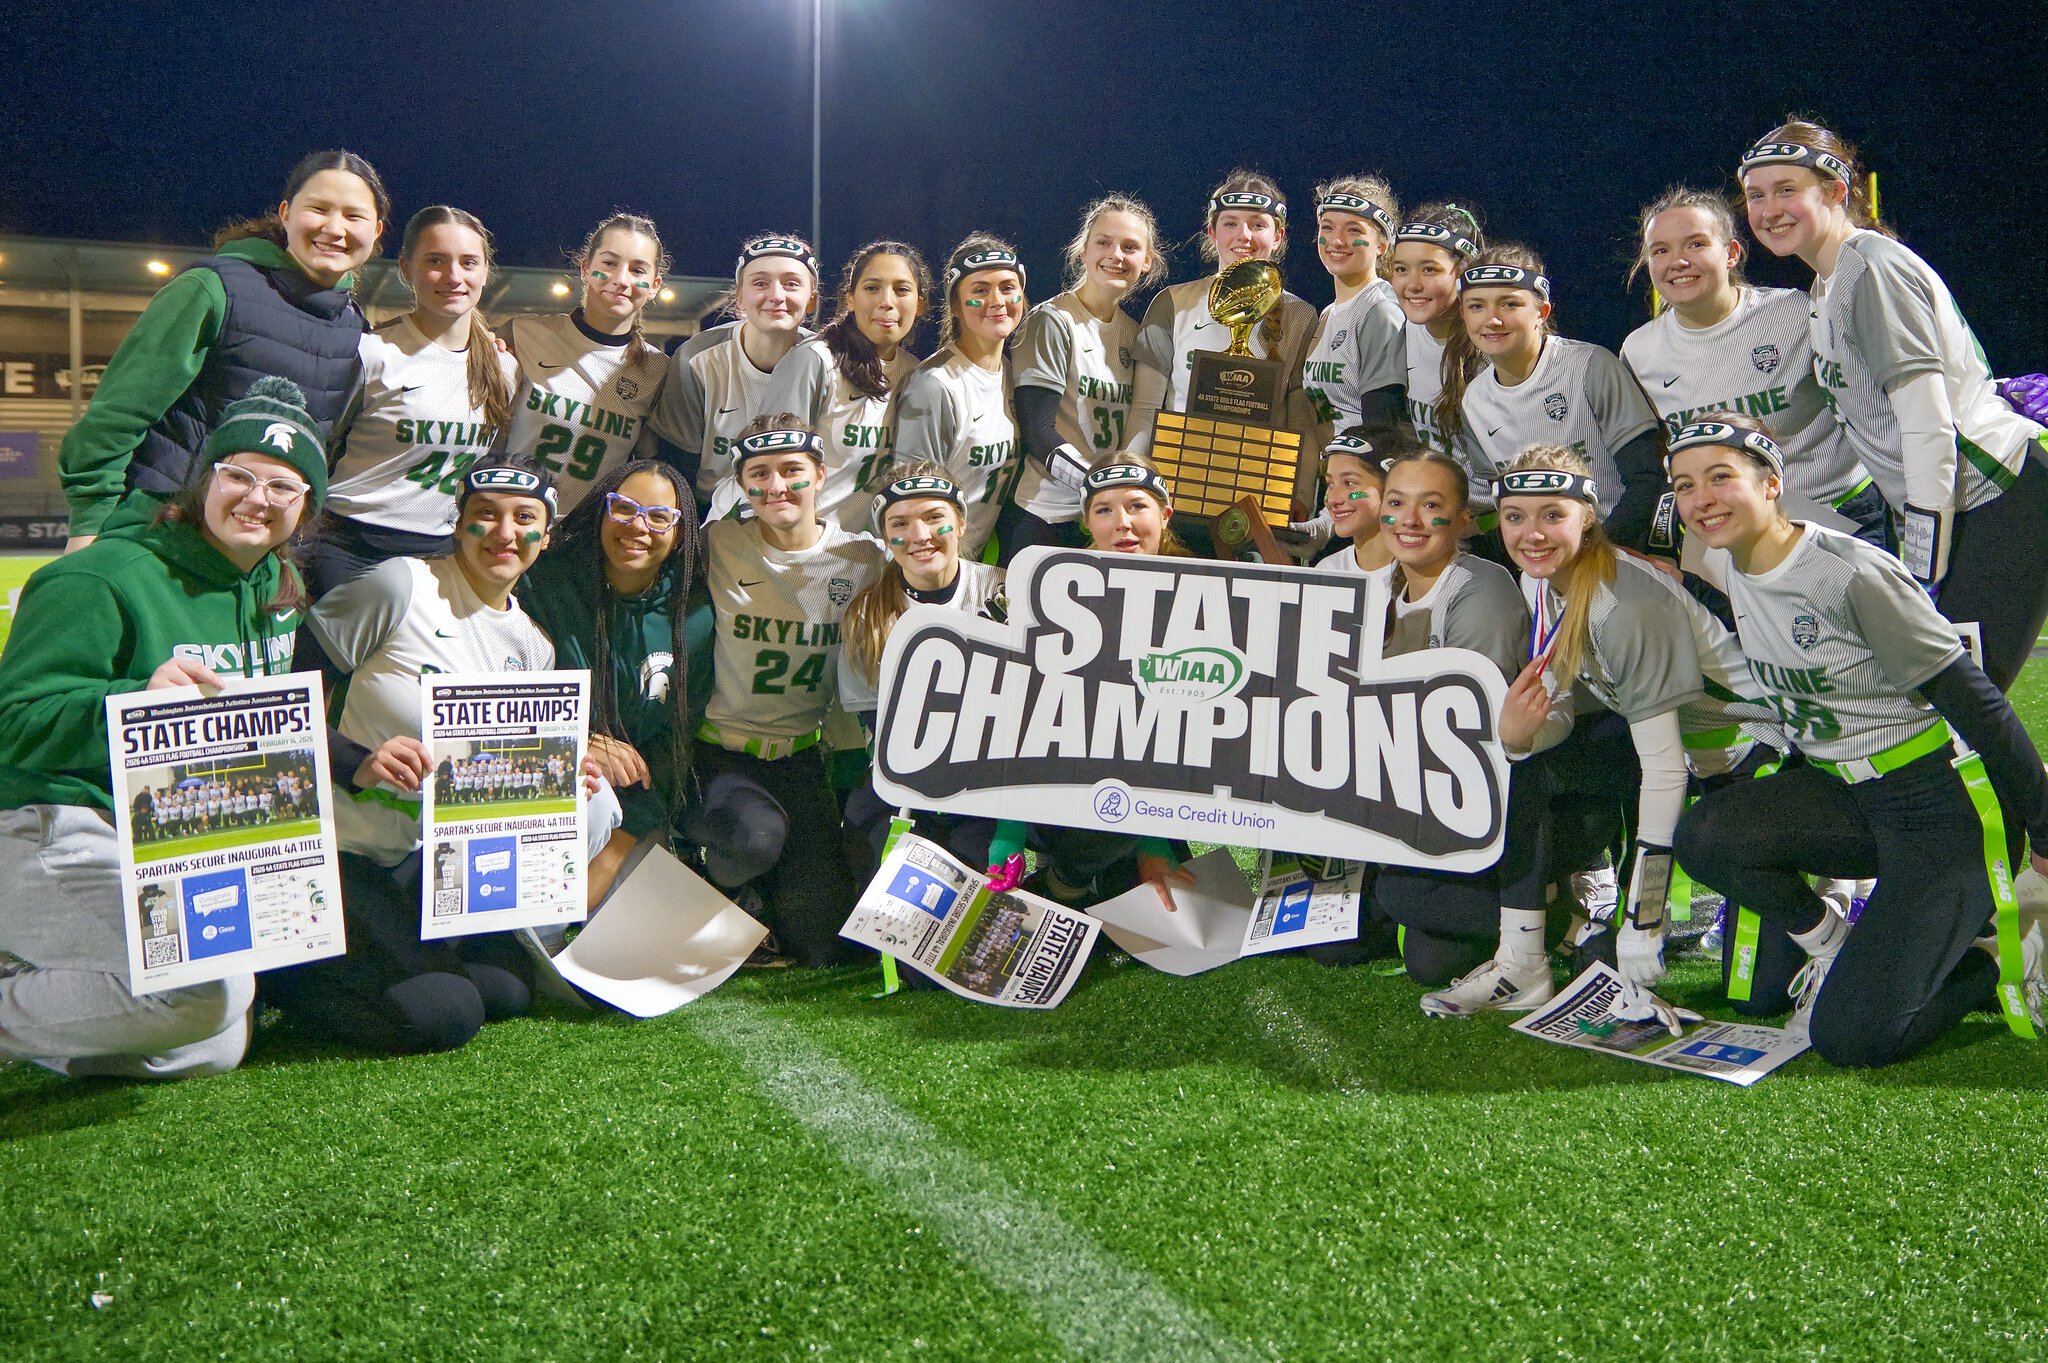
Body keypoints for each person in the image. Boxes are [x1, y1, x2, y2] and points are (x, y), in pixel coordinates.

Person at [1667, 415, 2048, 1063]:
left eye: (1721, 477)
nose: (1700, 498)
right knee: (1706, 834)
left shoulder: (1846, 572)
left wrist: (2045, 827)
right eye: (1684, 485)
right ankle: (1833, 947)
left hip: (1942, 810)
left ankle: (2003, 955)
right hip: (1848, 794)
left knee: (1852, 1037)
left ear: (1772, 484)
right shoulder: (1728, 563)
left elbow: (1979, 705)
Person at [0, 376, 327, 1078]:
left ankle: (43, 986)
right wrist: (133, 701)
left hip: (164, 838)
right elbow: (14, 726)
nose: (256, 499)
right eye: (238, 475)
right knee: (205, 987)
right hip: (46, 820)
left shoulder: (275, 592)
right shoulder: (100, 577)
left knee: (216, 1039)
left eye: (283, 488)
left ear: (306, 509)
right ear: (203, 481)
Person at [265, 457, 616, 1054]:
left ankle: (369, 953)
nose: (505, 533)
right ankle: (278, 974)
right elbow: (282, 704)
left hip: (426, 862)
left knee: (504, 991)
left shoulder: (533, 647)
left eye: (524, 518)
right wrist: (358, 758)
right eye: (486, 515)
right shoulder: (400, 585)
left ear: (546, 536)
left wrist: (558, 783)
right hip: (344, 849)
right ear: (458, 525)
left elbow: (498, 782)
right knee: (446, 1016)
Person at [1739, 120, 2048, 691]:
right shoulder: (1826, 286)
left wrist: (1923, 568)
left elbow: (1927, 427)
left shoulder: (1869, 267)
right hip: (1967, 502)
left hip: (1998, 495)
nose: (1768, 209)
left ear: (1834, 190)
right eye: (1756, 195)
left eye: (1787, 189)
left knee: (1959, 704)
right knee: (1948, 706)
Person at [1491, 444, 1789, 994]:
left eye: (1552, 515)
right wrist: (1518, 739)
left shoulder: (1624, 604)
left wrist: (1644, 917)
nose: (1532, 533)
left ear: (1588, 516)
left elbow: (1667, 769)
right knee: (1519, 766)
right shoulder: (1540, 579)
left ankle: (1837, 886)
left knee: (1758, 994)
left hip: (1748, 755)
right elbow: (1555, 703)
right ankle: (1520, 959)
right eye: (1515, 516)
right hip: (1664, 742)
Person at [59, 150, 387, 548]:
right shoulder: (211, 289)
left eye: (354, 216)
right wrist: (88, 525)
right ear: (285, 213)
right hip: (166, 533)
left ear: (377, 231)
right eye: (318, 209)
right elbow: (115, 417)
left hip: (263, 548)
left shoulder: (353, 325)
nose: (335, 228)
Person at [688, 416, 884, 965]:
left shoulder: (862, 560)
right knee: (754, 839)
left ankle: (764, 892)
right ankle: (713, 879)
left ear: (821, 475)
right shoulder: (718, 542)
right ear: (741, 484)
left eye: (792, 470)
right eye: (760, 473)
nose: (777, 486)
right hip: (717, 753)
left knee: (824, 944)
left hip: (800, 757)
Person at [1622, 186, 1884, 549]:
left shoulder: (1793, 312)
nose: (1677, 261)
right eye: (1660, 250)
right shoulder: (1638, 351)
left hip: (1834, 513)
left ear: (1731, 253)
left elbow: (1869, 401)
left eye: (1696, 244)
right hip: (1724, 532)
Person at [522, 459, 710, 902]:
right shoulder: (543, 585)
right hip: (546, 770)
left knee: (627, 924)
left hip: (633, 800)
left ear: (680, 533)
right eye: (623, 508)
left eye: (659, 517)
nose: (638, 526)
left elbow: (671, 746)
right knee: (537, 921)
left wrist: (615, 851)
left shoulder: (693, 617)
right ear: (602, 511)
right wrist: (577, 742)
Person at [311, 205, 518, 596]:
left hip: (442, 551)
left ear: (486, 271)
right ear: (406, 268)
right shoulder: (371, 352)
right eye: (435, 261)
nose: (454, 276)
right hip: (350, 547)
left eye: (468, 262)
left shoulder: (503, 367)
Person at [1444, 245, 1667, 553]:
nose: (1492, 319)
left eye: (1509, 304)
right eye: (1477, 306)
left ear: (1541, 312)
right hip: (1540, 564)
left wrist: (1597, 553)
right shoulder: (1474, 402)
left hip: (1617, 551)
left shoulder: (1590, 366)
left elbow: (1647, 477)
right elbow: (1498, 509)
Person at [999, 196, 1165, 561]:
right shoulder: (1052, 320)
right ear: (1083, 252)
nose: (1116, 255)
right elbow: (1038, 431)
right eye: (1103, 243)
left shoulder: (1134, 333)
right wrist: (1099, 486)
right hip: (1046, 515)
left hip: (1103, 519)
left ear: (1147, 261)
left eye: (1130, 247)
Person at [502, 213, 671, 515]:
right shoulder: (523, 333)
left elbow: (649, 467)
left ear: (655, 284)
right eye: (608, 263)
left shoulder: (659, 370)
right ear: (585, 268)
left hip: (586, 537)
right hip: (512, 526)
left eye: (637, 269)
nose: (621, 279)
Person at [760, 240, 931, 530]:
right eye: (872, 288)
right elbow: (770, 466)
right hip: (795, 543)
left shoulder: (913, 372)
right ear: (850, 298)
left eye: (901, 290)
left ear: (920, 304)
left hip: (858, 552)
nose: (886, 301)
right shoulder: (815, 360)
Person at [652, 233, 819, 520]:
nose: (776, 295)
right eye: (760, 283)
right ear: (739, 298)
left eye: (791, 283)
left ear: (812, 299)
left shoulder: (827, 361)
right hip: (709, 516)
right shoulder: (697, 358)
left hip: (796, 516)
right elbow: (675, 469)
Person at [890, 236, 1026, 560]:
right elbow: (912, 504)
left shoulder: (1013, 373)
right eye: (980, 290)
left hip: (973, 569)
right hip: (932, 567)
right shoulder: (936, 385)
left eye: (1008, 287)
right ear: (955, 304)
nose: (997, 301)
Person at [1302, 175, 1407, 438]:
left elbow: (1381, 429)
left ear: (1382, 245)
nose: (1337, 240)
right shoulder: (1328, 313)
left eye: (1354, 230)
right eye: (1327, 228)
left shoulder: (1380, 310)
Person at [1391, 204, 1483, 460]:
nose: (1413, 284)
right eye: (1401, 269)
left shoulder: (1491, 348)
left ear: (1463, 273)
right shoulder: (1402, 332)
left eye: (1429, 269)